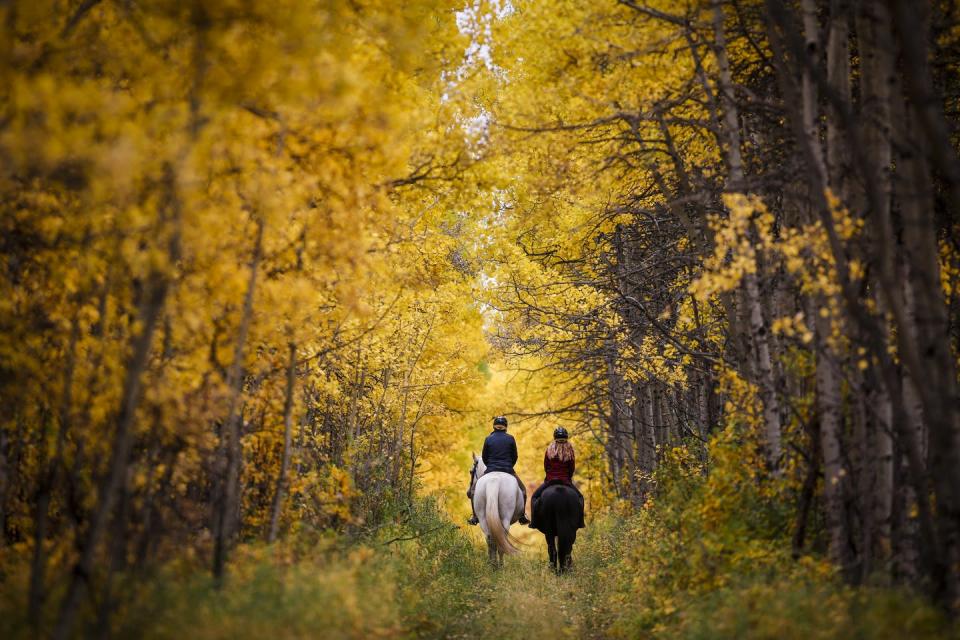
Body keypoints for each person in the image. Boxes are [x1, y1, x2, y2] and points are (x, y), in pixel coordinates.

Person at [467, 416, 530, 525]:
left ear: (494, 427)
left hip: (491, 469)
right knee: (523, 491)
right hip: (508, 469)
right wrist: (509, 466)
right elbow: (515, 456)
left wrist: (491, 466)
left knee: (472, 491)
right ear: (505, 427)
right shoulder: (510, 438)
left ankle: (475, 516)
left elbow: (484, 457)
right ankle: (522, 516)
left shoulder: (488, 439)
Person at [528, 427, 585, 529]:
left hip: (550, 480)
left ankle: (534, 522)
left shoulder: (549, 449)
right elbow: (571, 467)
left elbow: (546, 466)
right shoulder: (570, 449)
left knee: (534, 497)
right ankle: (581, 522)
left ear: (555, 438)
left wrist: (549, 476)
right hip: (565, 481)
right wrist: (568, 478)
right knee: (580, 498)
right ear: (566, 438)